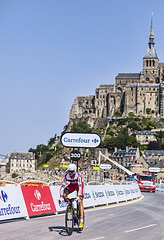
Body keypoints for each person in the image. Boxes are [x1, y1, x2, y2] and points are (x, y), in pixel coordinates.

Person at [59, 163, 85, 230]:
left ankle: (81, 220)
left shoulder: (78, 176)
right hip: (72, 185)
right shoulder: (66, 176)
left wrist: (79, 197)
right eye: (69, 171)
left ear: (75, 171)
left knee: (80, 201)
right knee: (65, 194)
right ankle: (70, 207)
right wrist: (61, 197)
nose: (70, 173)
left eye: (71, 172)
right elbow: (62, 187)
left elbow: (80, 187)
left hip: (79, 186)